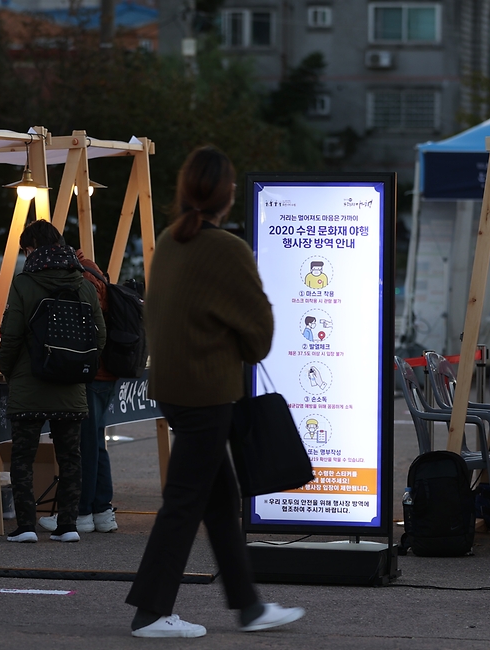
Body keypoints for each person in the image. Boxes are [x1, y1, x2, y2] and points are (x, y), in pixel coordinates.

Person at [127, 146, 304, 638]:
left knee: (219, 499)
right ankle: (151, 610)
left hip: (174, 390)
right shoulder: (228, 249)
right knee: (184, 502)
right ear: (227, 196)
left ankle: (248, 604)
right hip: (208, 392)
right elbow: (260, 335)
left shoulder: (169, 241)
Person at [0, 220, 106, 544]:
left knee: (23, 456)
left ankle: (27, 526)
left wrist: (8, 369)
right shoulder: (84, 284)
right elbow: (99, 336)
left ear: (33, 249)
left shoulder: (23, 284)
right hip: (71, 385)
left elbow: (11, 334)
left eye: (26, 249)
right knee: (70, 455)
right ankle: (69, 526)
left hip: (30, 382)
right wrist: (77, 363)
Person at [39, 249, 118, 535]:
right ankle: (102, 510)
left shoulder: (80, 275)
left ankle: (81, 511)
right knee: (96, 441)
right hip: (107, 372)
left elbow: (89, 327)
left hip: (92, 372)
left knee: (84, 442)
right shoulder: (94, 272)